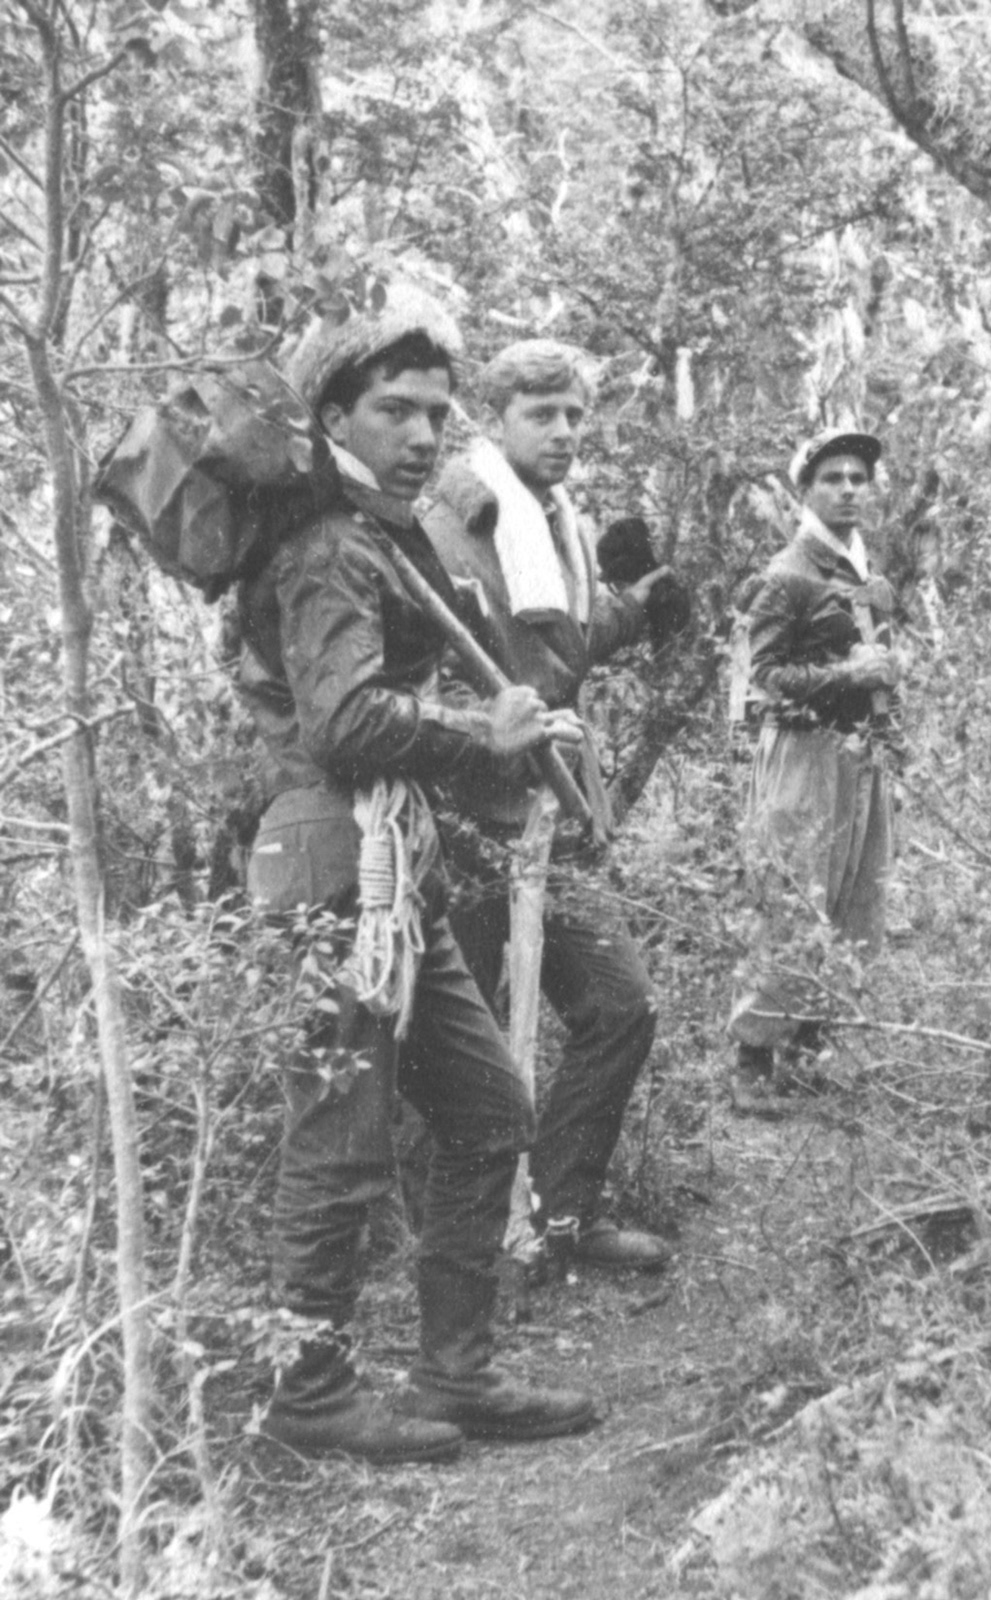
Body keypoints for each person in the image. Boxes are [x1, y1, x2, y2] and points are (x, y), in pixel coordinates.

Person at [237, 290, 598, 1463]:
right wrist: (476, 734)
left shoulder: (382, 536)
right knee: (339, 1142)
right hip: (329, 859)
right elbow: (343, 721)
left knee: (492, 1105)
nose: (423, 434)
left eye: (438, 413)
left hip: (394, 866)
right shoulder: (325, 546)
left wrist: (502, 725)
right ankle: (309, 1393)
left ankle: (459, 1371)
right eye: (394, 409)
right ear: (333, 415)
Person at [421, 338, 675, 1272]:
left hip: (548, 814)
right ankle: (474, 1250)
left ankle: (563, 1219)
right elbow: (445, 663)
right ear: (498, 420)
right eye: (542, 415)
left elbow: (557, 646)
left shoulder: (553, 516)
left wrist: (635, 609)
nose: (564, 432)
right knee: (468, 1043)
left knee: (622, 1003)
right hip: (468, 821)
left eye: (574, 415)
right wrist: (494, 728)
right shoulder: (461, 516)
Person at [728, 429, 899, 1116]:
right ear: (806, 489)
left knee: (854, 899)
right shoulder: (787, 573)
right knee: (791, 895)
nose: (849, 488)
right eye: (833, 478)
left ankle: (808, 1059)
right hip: (802, 753)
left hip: (860, 755)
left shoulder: (861, 570)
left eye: (859, 477)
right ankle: (753, 1064)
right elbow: (763, 675)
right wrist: (845, 675)